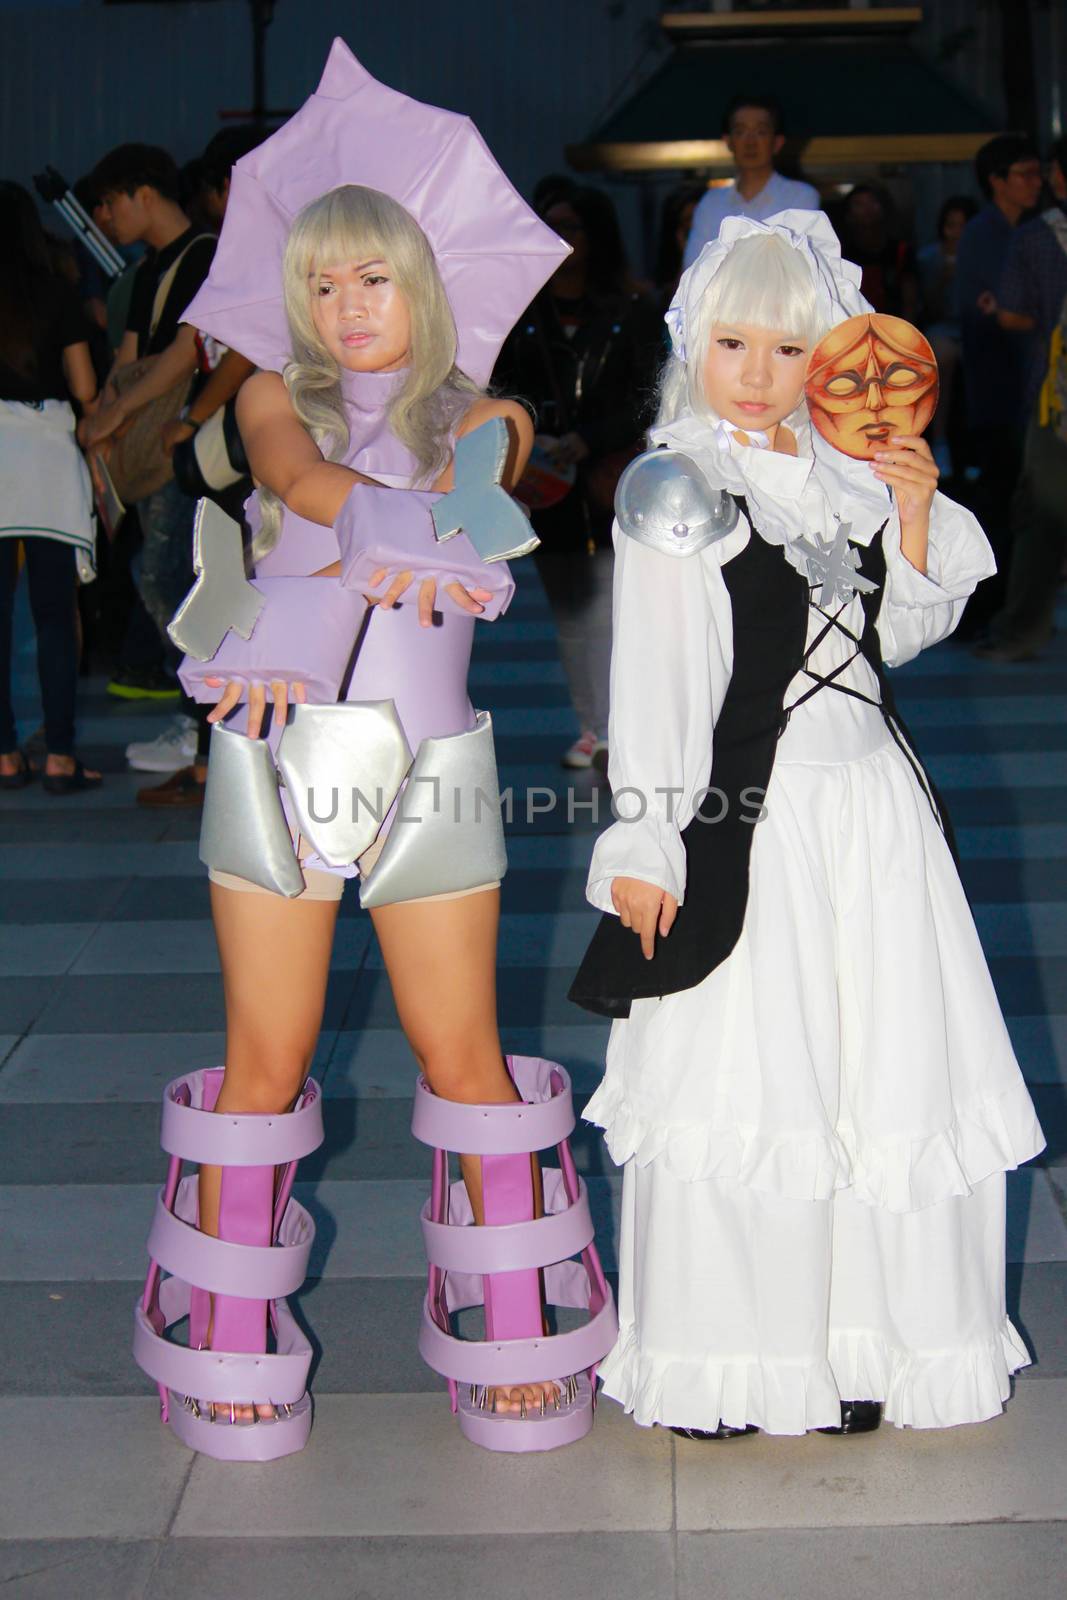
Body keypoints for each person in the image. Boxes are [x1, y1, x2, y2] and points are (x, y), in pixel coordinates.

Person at [570, 211, 1044, 1440]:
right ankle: (734, 1362)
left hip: (872, 813)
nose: (757, 372)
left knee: (874, 1076)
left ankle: (855, 1347)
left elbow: (886, 643)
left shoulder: (840, 478)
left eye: (787, 349)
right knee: (750, 1081)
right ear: (693, 344)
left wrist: (914, 512)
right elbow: (659, 684)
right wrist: (643, 840)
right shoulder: (677, 484)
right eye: (731, 343)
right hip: (752, 822)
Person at [493, 184, 663, 768]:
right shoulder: (521, 312)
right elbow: (501, 390)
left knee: (612, 610)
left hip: (610, 480)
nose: (561, 238)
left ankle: (620, 726)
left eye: (572, 226)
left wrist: (589, 438)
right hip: (545, 481)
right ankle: (591, 725)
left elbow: (651, 397)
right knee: (568, 613)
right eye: (550, 225)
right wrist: (533, 434)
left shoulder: (630, 309)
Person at [80, 143, 218, 802]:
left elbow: (186, 355)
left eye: (107, 204)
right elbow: (133, 356)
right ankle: (203, 720)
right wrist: (104, 414)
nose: (103, 219)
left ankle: (210, 722)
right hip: (156, 445)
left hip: (183, 445)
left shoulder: (204, 254)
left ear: (142, 193)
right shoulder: (153, 266)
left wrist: (116, 413)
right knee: (162, 579)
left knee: (170, 579)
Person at [0, 181, 101, 795]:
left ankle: (5, 756)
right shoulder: (55, 292)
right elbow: (85, 388)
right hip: (44, 453)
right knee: (53, 611)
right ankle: (61, 756)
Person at [975, 137, 1067, 660]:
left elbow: (1011, 313)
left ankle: (1022, 632)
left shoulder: (1035, 238)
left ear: (1059, 178)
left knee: (1043, 518)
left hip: (1054, 400)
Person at [953, 134, 1043, 631]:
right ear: (997, 181)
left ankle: (1018, 608)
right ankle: (988, 609)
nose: (1036, 182)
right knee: (998, 498)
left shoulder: (1040, 228)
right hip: (995, 386)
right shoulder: (981, 233)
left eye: (1037, 173)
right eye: (1024, 174)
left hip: (1037, 384)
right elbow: (996, 309)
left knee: (1029, 499)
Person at [682, 96, 820, 269]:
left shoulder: (801, 197)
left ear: (777, 142)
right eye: (740, 132)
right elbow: (693, 269)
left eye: (761, 132)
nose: (750, 142)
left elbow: (799, 267)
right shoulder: (711, 202)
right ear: (728, 141)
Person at [917, 194, 977, 478]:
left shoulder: (983, 255)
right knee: (941, 358)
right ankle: (940, 441)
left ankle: (976, 447)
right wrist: (945, 277)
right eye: (951, 225)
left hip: (977, 328)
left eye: (963, 225)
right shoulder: (929, 257)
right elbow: (928, 307)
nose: (957, 232)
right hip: (942, 326)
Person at [836, 183, 919, 322]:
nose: (867, 209)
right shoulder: (840, 255)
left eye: (872, 202)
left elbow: (910, 302)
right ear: (849, 215)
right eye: (859, 204)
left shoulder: (901, 251)